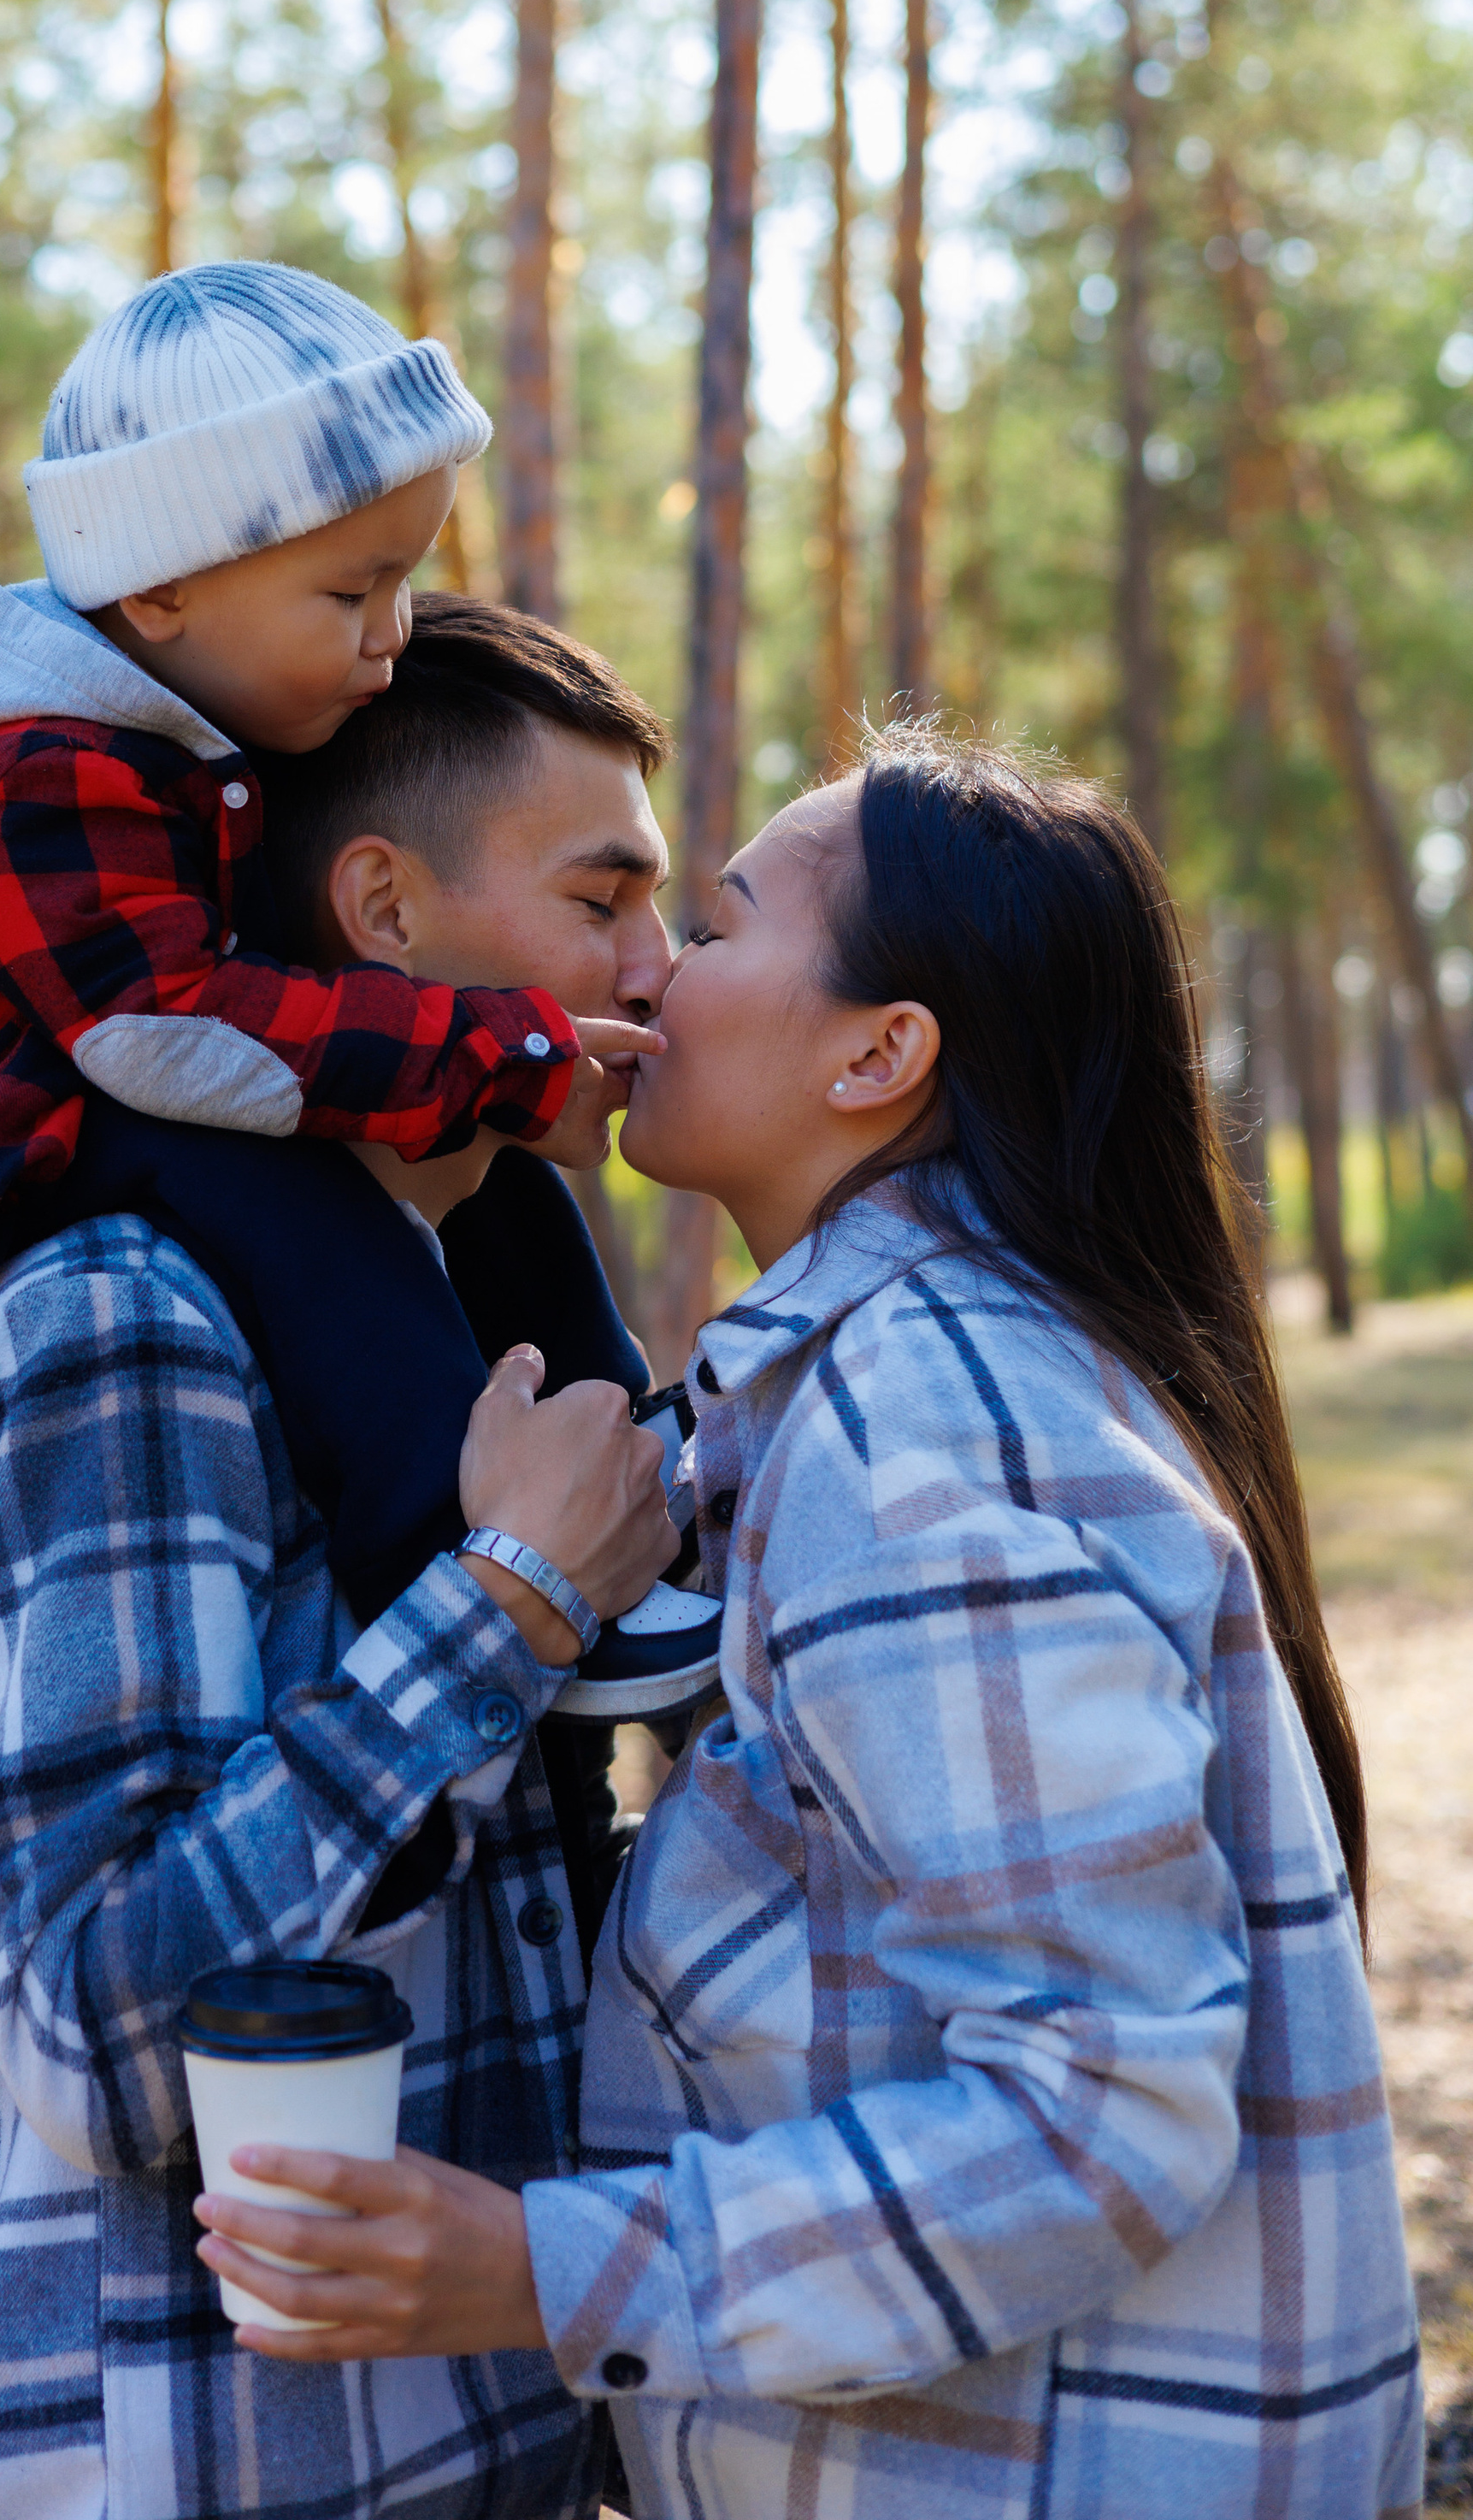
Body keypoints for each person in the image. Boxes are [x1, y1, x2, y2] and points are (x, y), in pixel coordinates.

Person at [193, 727, 1423, 2520]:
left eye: (708, 924)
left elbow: (1097, 2113)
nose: (647, 975)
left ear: (876, 1051)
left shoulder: (922, 1413)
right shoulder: (902, 1376)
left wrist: (543, 2269)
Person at [0, 601, 686, 2519]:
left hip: (474, 2455)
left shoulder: (468, 1304)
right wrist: (506, 1607)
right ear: (383, 917)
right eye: (601, 898)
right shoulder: (125, 1328)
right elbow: (104, 2035)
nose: (661, 970)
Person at [0, 259, 654, 1392]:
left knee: (462, 1123)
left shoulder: (182, 735)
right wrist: (500, 1050)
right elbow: (164, 1036)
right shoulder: (43, 770)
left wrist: (490, 1066)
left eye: (405, 582)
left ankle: (618, 1422)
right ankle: (424, 1499)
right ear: (159, 588)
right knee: (297, 1159)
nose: (394, 634)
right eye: (349, 595)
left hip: (78, 1084)